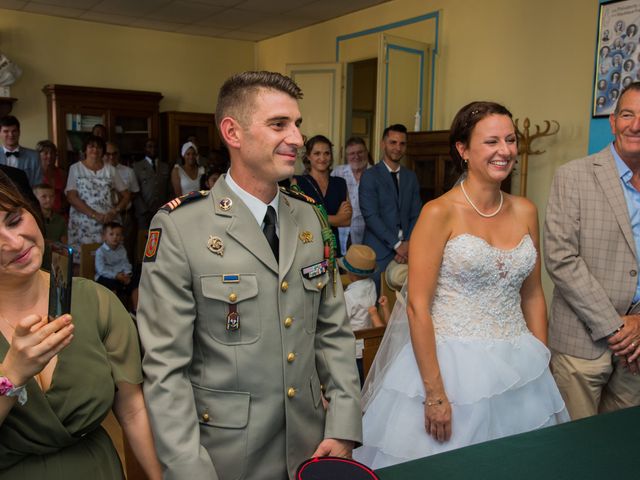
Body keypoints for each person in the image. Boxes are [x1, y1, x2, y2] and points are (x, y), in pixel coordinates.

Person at [136, 71, 362, 480]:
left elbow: (333, 332)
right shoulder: (180, 228)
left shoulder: (309, 216)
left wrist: (344, 427)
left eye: (297, 125)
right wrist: (189, 471)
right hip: (225, 457)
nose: (296, 138)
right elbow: (166, 370)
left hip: (311, 447)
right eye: (279, 124)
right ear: (232, 132)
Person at [354, 101, 568, 469]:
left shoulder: (526, 210)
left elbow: (533, 294)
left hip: (518, 360)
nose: (505, 150)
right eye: (491, 142)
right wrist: (435, 394)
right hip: (452, 366)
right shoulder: (439, 212)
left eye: (510, 140)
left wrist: (540, 360)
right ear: (463, 149)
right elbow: (418, 306)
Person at [0, 172, 161, 479]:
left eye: (14, 220)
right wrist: (12, 376)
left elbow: (131, 408)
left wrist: (158, 476)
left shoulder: (95, 301)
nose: (13, 242)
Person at [544, 82, 640, 420]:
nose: (636, 125)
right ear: (613, 122)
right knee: (576, 451)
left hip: (637, 346)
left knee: (622, 450)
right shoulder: (573, 176)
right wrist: (615, 328)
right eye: (627, 114)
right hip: (582, 343)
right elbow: (561, 259)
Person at [359, 124, 422, 291]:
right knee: (377, 305)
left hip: (408, 252)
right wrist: (397, 245)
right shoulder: (369, 176)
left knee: (403, 307)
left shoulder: (411, 177)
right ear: (383, 144)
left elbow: (416, 214)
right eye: (393, 142)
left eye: (402, 144)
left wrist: (407, 243)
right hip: (379, 253)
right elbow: (371, 216)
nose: (398, 148)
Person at [65, 135, 130, 263]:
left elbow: (126, 195)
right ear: (85, 149)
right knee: (83, 263)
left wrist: (114, 211)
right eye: (91, 146)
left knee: (109, 263)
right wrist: (94, 214)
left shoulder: (110, 170)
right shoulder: (75, 168)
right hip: (82, 226)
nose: (95, 150)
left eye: (99, 147)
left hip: (107, 226)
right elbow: (71, 197)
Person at [339, 244, 388, 384]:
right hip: (367, 346)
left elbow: (341, 321)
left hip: (352, 350)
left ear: (349, 273)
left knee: (355, 382)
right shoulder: (371, 284)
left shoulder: (349, 296)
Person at [294, 135, 351, 252]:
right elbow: (297, 217)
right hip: (307, 247)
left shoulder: (340, 183)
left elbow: (346, 220)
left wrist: (312, 215)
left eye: (327, 153)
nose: (322, 158)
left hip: (333, 250)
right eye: (317, 153)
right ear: (308, 156)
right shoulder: (298, 182)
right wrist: (337, 218)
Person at [331, 137, 370, 255]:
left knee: (363, 269)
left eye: (360, 152)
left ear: (366, 152)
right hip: (341, 233)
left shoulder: (375, 174)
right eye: (352, 153)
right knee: (341, 268)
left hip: (367, 235)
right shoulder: (338, 173)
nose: (356, 156)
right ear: (346, 156)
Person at [105, 141, 139, 261]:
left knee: (126, 248)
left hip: (124, 215)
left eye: (114, 154)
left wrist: (121, 201)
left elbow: (134, 193)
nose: (111, 157)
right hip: (106, 217)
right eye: (108, 154)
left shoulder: (128, 171)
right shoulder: (101, 172)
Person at [95, 222, 138, 312]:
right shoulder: (100, 251)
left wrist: (127, 274)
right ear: (104, 237)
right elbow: (101, 270)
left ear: (121, 237)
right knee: (110, 285)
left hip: (121, 276)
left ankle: (136, 310)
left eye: (118, 235)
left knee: (135, 282)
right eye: (111, 234)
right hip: (106, 277)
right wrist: (116, 275)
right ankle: (114, 312)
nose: (115, 237)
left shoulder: (121, 249)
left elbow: (126, 263)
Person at [133, 138, 171, 229]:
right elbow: (135, 192)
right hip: (144, 213)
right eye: (149, 147)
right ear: (145, 149)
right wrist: (144, 210)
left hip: (162, 212)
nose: (153, 149)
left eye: (155, 147)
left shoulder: (165, 166)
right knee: (145, 239)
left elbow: (169, 189)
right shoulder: (137, 167)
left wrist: (166, 208)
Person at [0, 115, 42, 187]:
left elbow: (37, 185)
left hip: (26, 197)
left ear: (19, 132)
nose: (11, 135)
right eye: (6, 131)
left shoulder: (34, 156)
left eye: (14, 131)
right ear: (0, 133)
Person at [33, 183, 67, 269]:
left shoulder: (60, 220)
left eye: (51, 196)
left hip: (54, 263)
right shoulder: (32, 219)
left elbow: (64, 243)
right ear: (35, 198)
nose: (48, 199)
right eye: (44, 196)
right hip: (37, 262)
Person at [36, 140, 67, 215]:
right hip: (40, 214)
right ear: (38, 155)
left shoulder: (62, 173)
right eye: (45, 153)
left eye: (52, 153)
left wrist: (62, 209)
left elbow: (66, 196)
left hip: (60, 214)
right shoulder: (34, 173)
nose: (49, 156)